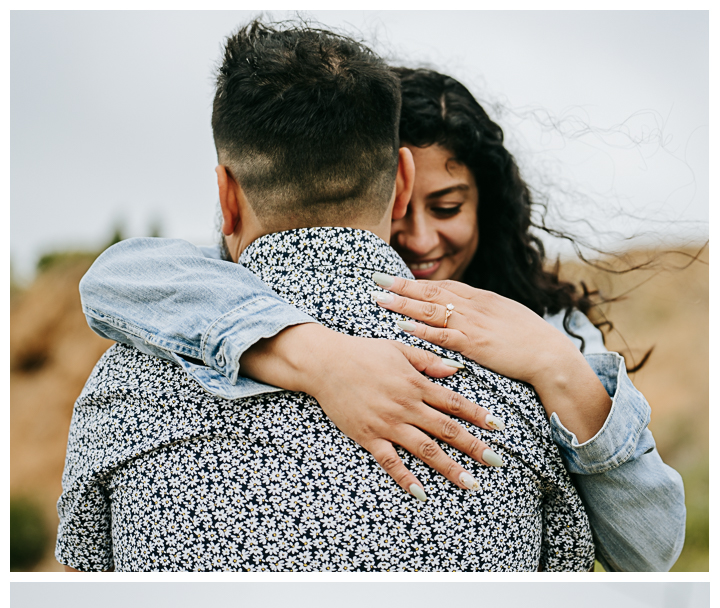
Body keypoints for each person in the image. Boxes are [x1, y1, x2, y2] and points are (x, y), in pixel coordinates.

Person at [77, 62, 686, 572]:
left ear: (487, 204)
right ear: (384, 187)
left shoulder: (551, 331)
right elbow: (115, 280)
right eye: (405, 211)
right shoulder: (231, 289)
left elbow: (651, 551)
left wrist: (561, 368)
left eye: (447, 207)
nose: (419, 240)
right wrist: (318, 356)